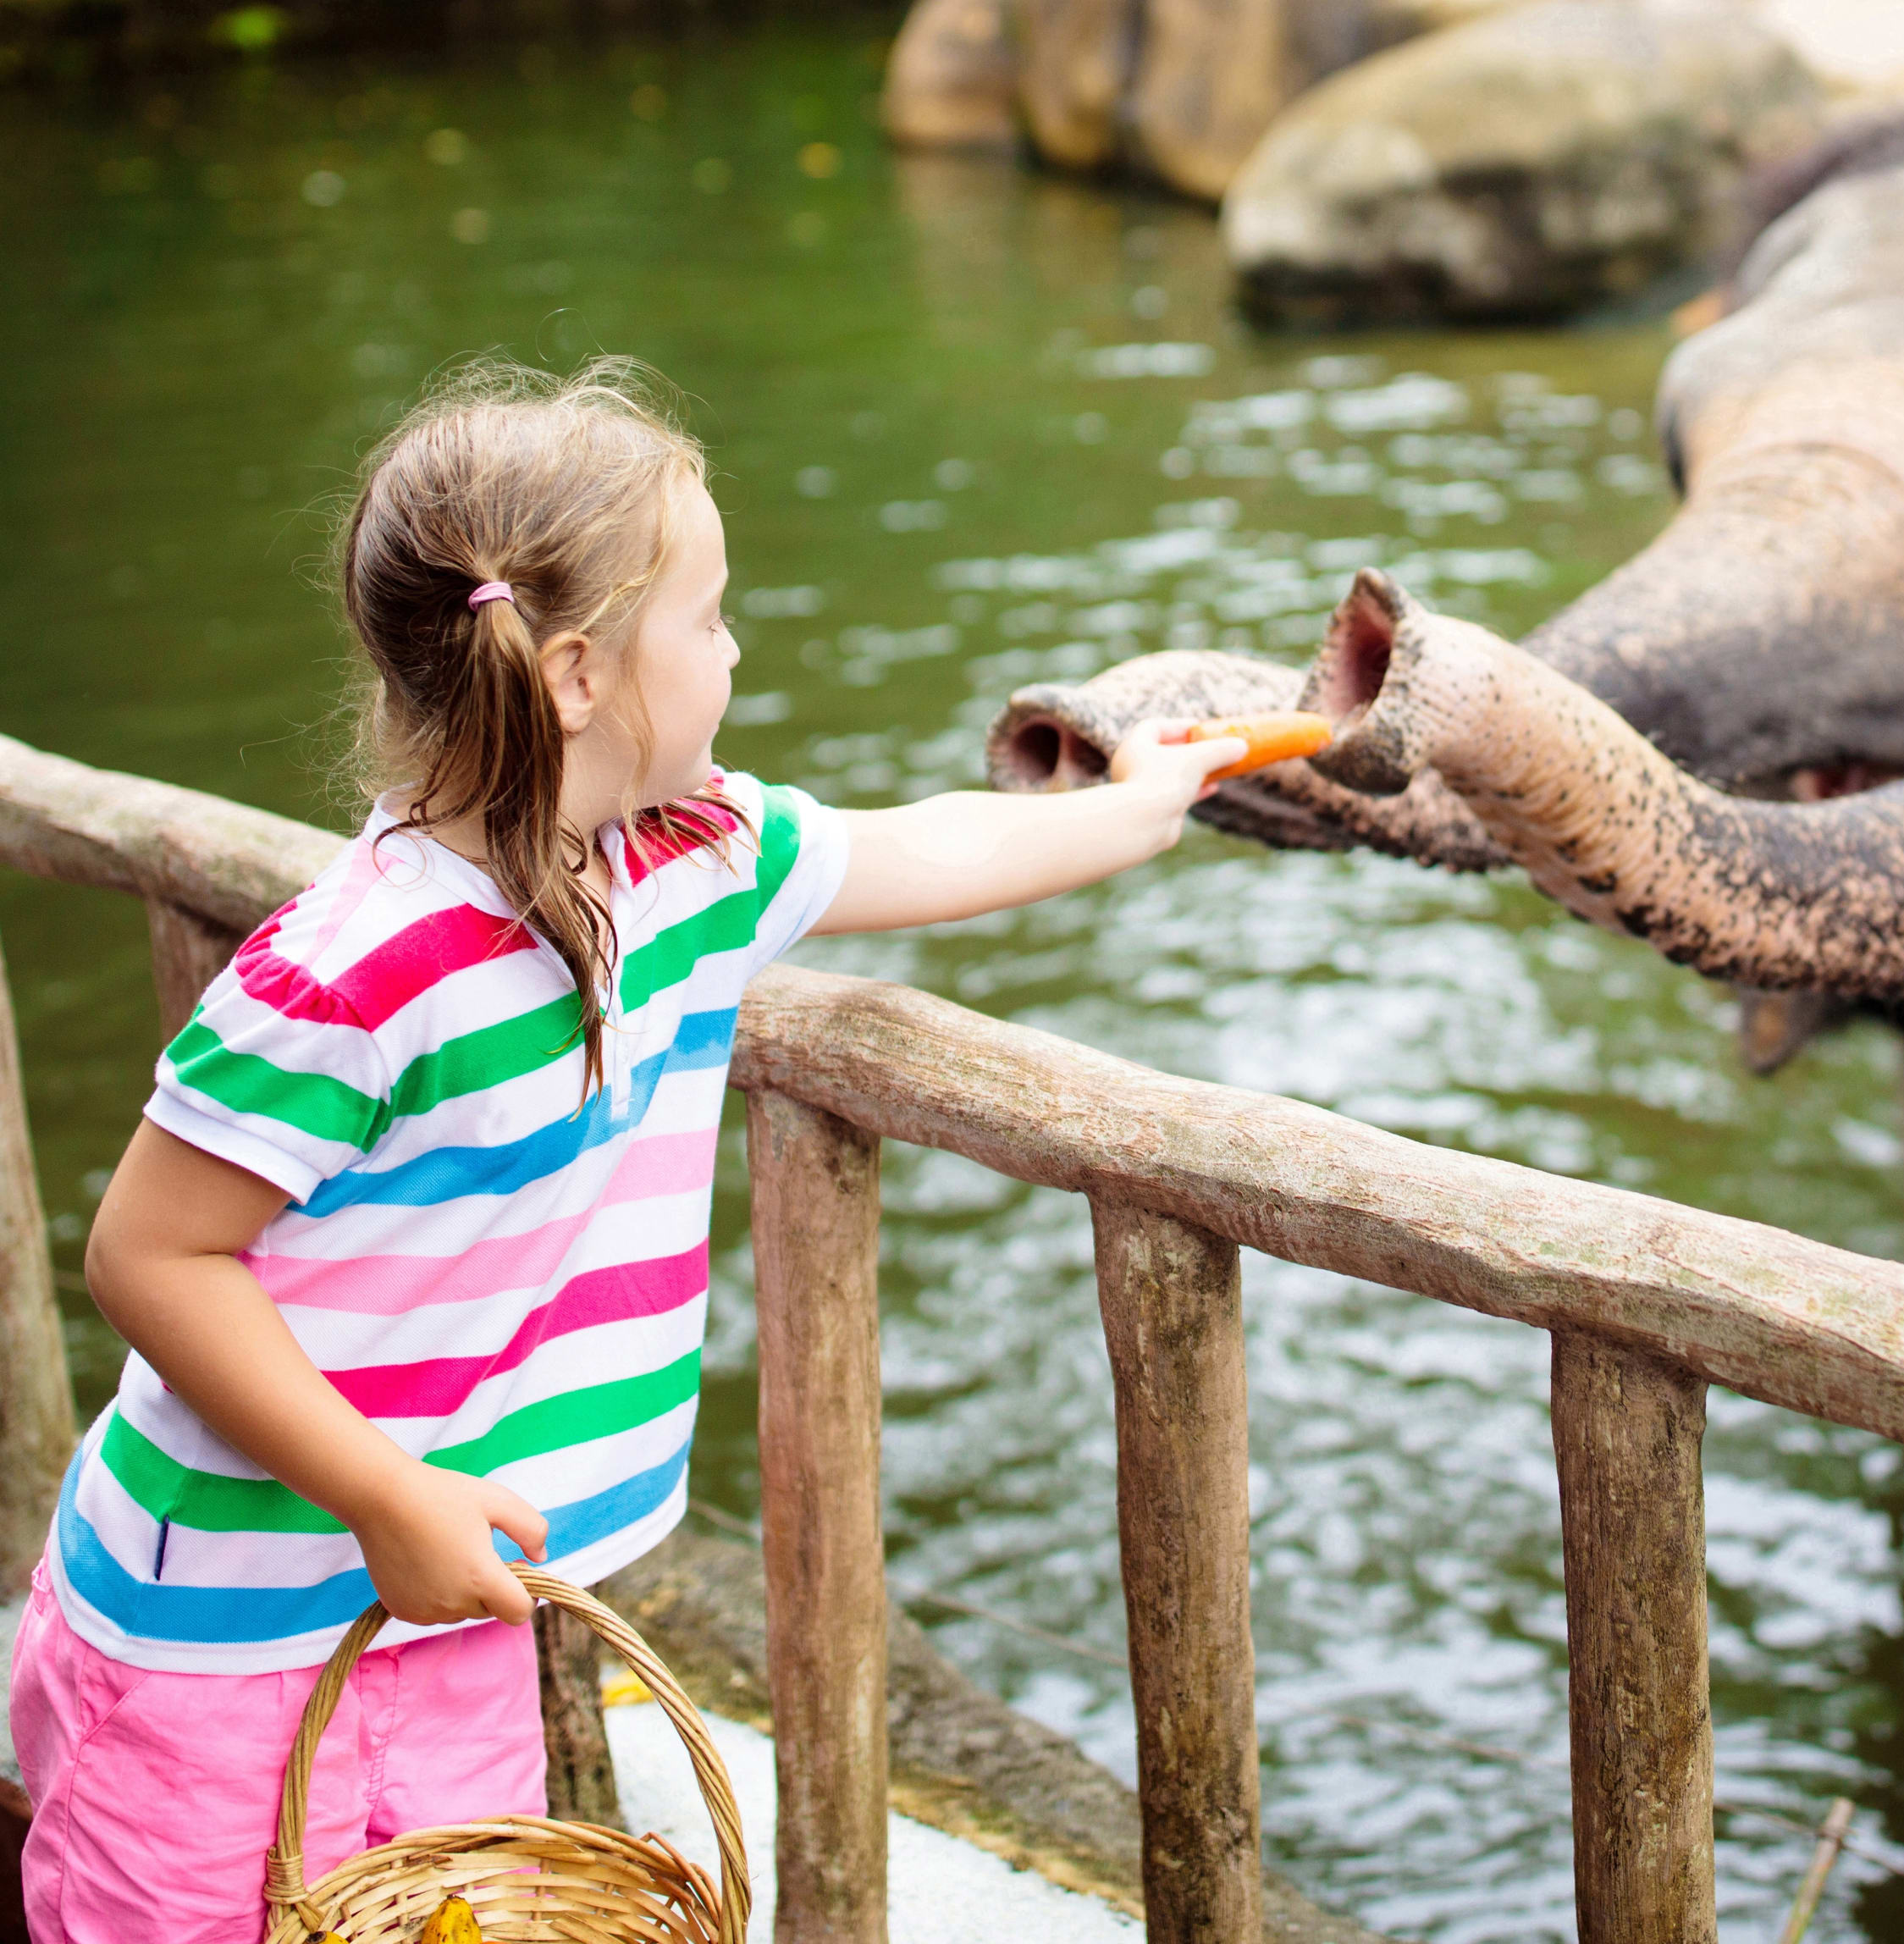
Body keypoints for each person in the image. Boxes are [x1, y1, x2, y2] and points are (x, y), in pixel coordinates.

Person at [7, 361, 1247, 1944]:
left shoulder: (691, 859)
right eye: (714, 618)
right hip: (225, 1631)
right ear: (581, 671)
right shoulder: (353, 966)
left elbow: (927, 841)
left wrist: (1138, 809)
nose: (737, 650)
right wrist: (384, 1493)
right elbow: (147, 1251)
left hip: (448, 1607)